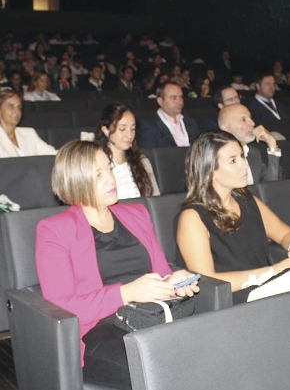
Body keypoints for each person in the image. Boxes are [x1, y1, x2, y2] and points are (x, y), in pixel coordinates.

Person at [36, 140, 199, 387]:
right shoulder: (55, 230)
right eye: (98, 174)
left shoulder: (136, 214)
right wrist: (127, 293)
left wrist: (173, 282)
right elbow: (61, 306)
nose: (111, 179)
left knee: (213, 348)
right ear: (75, 180)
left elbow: (161, 272)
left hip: (151, 313)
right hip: (100, 328)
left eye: (109, 169)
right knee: (164, 367)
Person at [175, 131, 290, 304]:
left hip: (269, 287)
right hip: (237, 300)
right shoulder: (192, 217)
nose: (245, 166)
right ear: (210, 170)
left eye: (242, 157)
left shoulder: (246, 200)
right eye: (233, 161)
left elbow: (286, 234)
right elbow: (209, 282)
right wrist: (273, 271)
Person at [94, 103, 160, 199]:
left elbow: (156, 201)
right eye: (122, 129)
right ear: (106, 130)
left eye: (133, 129)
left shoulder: (142, 162)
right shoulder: (95, 166)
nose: (129, 135)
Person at [0, 89, 57, 158]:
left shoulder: (29, 133)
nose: (17, 111)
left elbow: (53, 154)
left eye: (19, 107)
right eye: (10, 106)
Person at [218, 104, 282, 183]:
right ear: (226, 128)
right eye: (243, 119)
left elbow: (271, 186)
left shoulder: (253, 153)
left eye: (250, 118)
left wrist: (272, 144)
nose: (252, 123)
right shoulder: (218, 159)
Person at [137, 82, 200, 149]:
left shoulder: (191, 123)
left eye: (181, 97)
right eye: (174, 97)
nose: (180, 101)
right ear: (160, 101)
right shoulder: (149, 125)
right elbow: (148, 155)